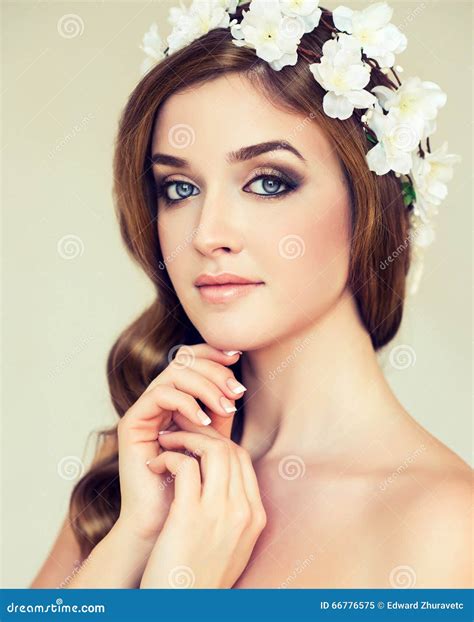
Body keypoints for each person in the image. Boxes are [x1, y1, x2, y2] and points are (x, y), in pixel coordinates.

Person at [31, 0, 471, 589]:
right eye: (180, 188)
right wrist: (138, 533)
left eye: (268, 182)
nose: (207, 234)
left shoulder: (443, 524)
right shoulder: (137, 471)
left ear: (369, 206)